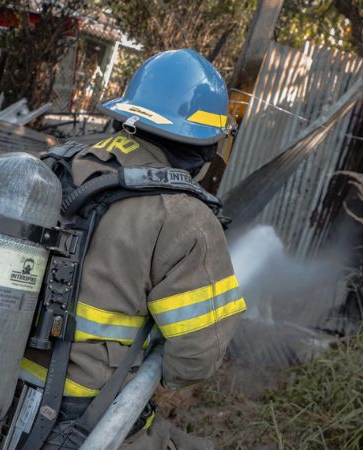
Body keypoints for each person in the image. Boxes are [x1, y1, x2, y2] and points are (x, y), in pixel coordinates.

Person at [43, 49, 245, 449]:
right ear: (205, 144)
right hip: (91, 421)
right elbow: (195, 361)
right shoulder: (185, 217)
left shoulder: (56, 167)